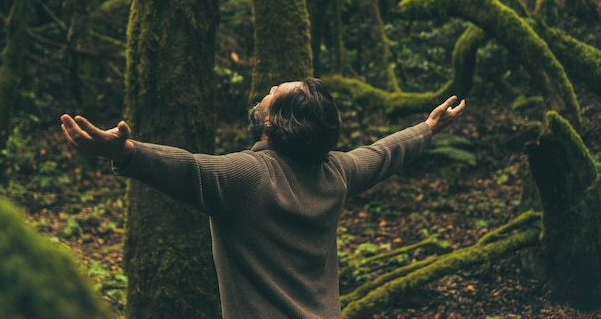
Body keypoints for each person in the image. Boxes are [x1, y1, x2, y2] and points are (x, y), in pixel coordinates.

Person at [60, 77, 465, 319]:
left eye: (277, 91)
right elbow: (381, 155)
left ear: (273, 121)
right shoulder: (336, 172)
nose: (270, 88)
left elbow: (187, 170)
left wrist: (124, 151)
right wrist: (427, 128)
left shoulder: (247, 176)